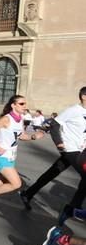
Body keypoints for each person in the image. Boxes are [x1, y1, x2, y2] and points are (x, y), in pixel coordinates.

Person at [20, 86, 86, 222]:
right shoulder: (74, 110)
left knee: (52, 173)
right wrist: (59, 143)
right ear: (83, 97)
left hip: (79, 149)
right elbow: (54, 124)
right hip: (69, 148)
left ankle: (28, 193)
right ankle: (73, 208)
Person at [0, 95, 44, 214]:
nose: (24, 106)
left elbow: (21, 136)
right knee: (16, 184)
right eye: (21, 104)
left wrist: (33, 136)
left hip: (11, 157)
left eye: (25, 104)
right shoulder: (6, 119)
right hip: (2, 157)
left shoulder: (20, 119)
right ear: (13, 105)